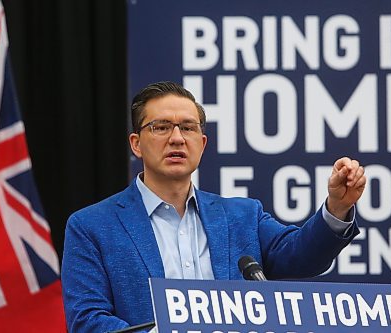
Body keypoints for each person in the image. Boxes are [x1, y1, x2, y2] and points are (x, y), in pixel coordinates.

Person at [61, 81, 366, 333]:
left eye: (188, 128)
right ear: (136, 143)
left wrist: (337, 207)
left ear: (202, 143)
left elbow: (302, 258)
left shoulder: (243, 216)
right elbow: (88, 321)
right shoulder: (91, 226)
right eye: (161, 127)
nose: (177, 138)